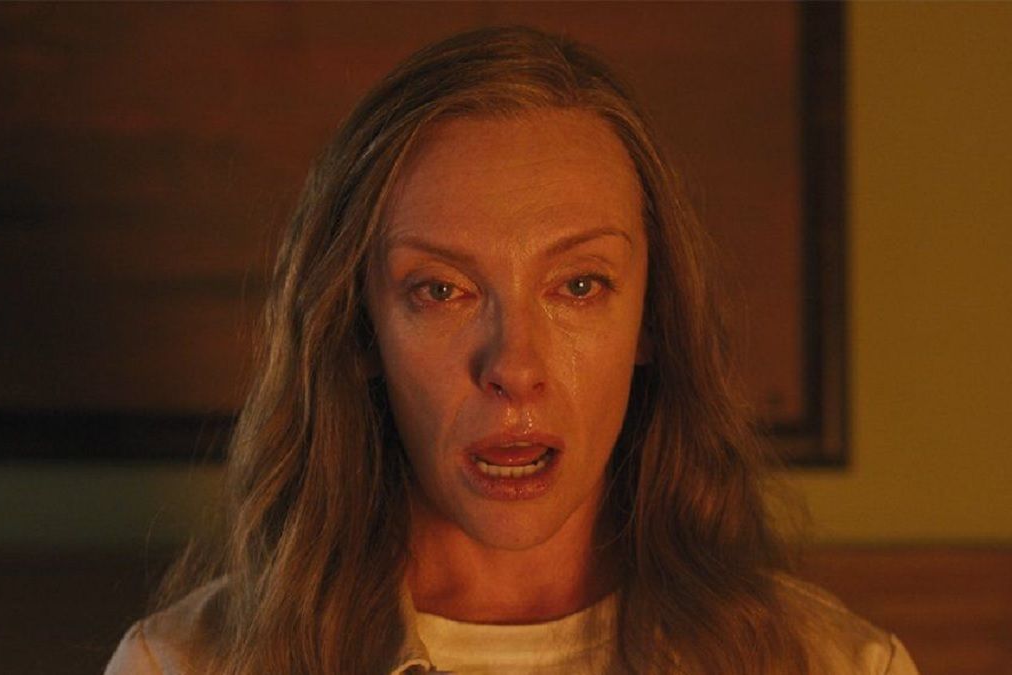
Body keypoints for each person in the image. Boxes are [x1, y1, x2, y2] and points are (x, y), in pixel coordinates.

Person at [106, 26, 919, 675]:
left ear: (652, 318)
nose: (515, 367)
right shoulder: (185, 664)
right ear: (358, 329)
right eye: (441, 289)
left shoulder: (831, 664)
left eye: (579, 285)